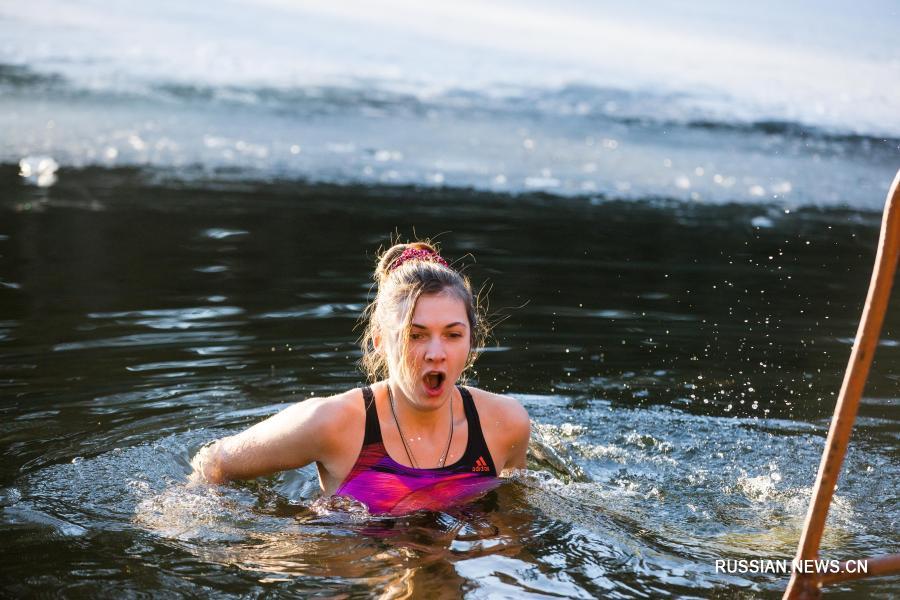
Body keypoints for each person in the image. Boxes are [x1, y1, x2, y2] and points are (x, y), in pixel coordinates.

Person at [190, 241, 530, 515]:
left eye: (453, 335)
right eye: (415, 335)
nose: (436, 353)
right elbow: (216, 462)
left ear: (471, 338)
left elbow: (510, 518)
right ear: (382, 341)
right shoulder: (333, 423)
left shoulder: (504, 424)